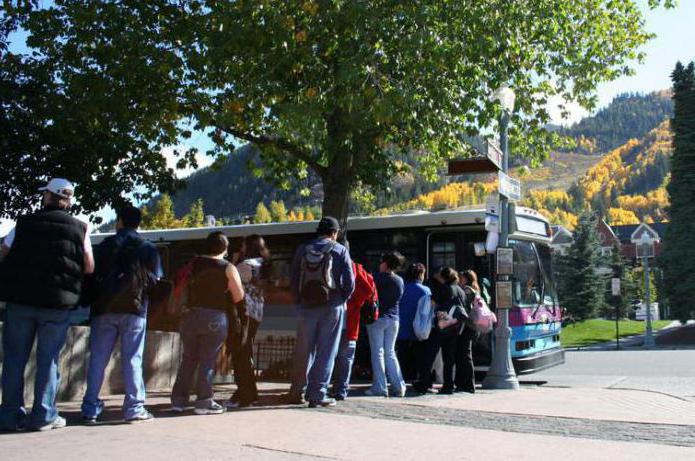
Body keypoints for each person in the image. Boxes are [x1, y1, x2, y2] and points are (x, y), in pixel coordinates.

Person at [0, 178, 94, 431]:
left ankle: (9, 416)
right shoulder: (81, 228)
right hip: (57, 304)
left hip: (20, 301)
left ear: (47, 197)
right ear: (68, 200)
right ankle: (43, 415)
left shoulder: (23, 223)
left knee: (14, 359)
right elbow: (89, 266)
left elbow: (3, 253)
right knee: (48, 359)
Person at [81, 205, 162, 423]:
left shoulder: (105, 245)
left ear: (119, 222)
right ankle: (134, 408)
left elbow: (90, 274)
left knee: (98, 359)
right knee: (132, 359)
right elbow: (157, 279)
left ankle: (90, 409)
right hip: (135, 309)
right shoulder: (147, 248)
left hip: (103, 308)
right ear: (139, 224)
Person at [170, 232, 244, 414]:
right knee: (208, 359)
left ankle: (178, 400)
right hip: (214, 318)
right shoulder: (227, 267)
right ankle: (204, 402)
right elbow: (239, 295)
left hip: (189, 315)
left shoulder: (193, 264)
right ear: (225, 249)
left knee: (188, 358)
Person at [287, 216, 355, 408]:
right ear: (334, 233)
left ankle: (296, 391)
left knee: (303, 350)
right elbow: (350, 282)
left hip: (306, 307)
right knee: (326, 351)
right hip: (332, 306)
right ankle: (317, 394)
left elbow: (293, 278)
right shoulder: (340, 250)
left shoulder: (303, 249)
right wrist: (341, 300)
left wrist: (299, 301)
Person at [225, 234, 271, 409]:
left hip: (244, 313)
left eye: (244, 245)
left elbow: (231, 282)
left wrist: (234, 262)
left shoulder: (246, 266)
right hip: (257, 312)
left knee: (241, 354)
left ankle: (244, 395)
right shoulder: (263, 264)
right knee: (246, 352)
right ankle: (250, 393)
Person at [330, 246, 378, 401]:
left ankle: (322, 387)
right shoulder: (356, 268)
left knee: (327, 354)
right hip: (351, 319)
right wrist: (356, 302)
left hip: (331, 318)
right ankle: (341, 390)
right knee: (346, 357)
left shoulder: (330, 263)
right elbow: (368, 289)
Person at [366, 251, 406, 397]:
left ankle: (380, 387)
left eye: (381, 262)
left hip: (377, 319)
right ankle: (399, 386)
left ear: (386, 263)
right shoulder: (399, 280)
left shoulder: (376, 278)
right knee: (390, 353)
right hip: (394, 319)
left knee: (378, 353)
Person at [433, 267, 474, 394]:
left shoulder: (444, 288)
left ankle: (448, 385)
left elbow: (438, 305)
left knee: (446, 357)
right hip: (458, 327)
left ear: (443, 277)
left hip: (446, 327)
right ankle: (456, 384)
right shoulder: (460, 290)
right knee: (454, 357)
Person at [396, 263, 431, 384]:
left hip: (401, 327)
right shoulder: (425, 290)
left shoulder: (402, 287)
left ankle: (402, 378)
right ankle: (415, 377)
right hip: (418, 329)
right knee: (418, 356)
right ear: (420, 274)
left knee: (402, 355)